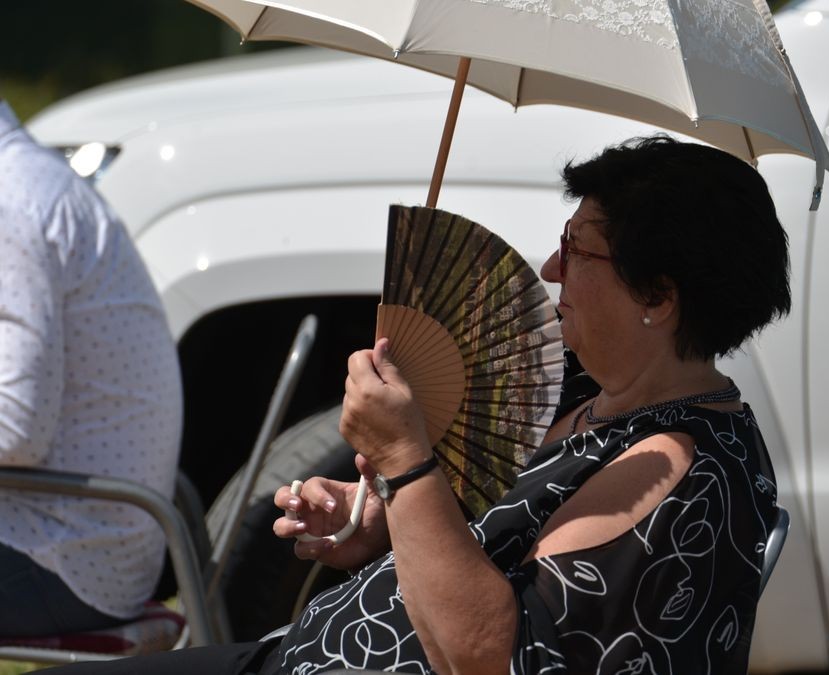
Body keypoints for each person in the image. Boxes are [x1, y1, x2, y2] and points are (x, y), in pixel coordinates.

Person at [49, 135, 786, 674]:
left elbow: (490, 657)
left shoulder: (672, 466)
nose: (553, 266)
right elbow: (477, 545)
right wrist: (379, 518)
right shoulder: (596, 396)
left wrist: (403, 460)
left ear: (657, 295)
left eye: (580, 248)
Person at [0, 99, 183, 635]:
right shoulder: (31, 184)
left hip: (62, 554)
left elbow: (14, 433)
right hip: (83, 540)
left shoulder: (12, 205)